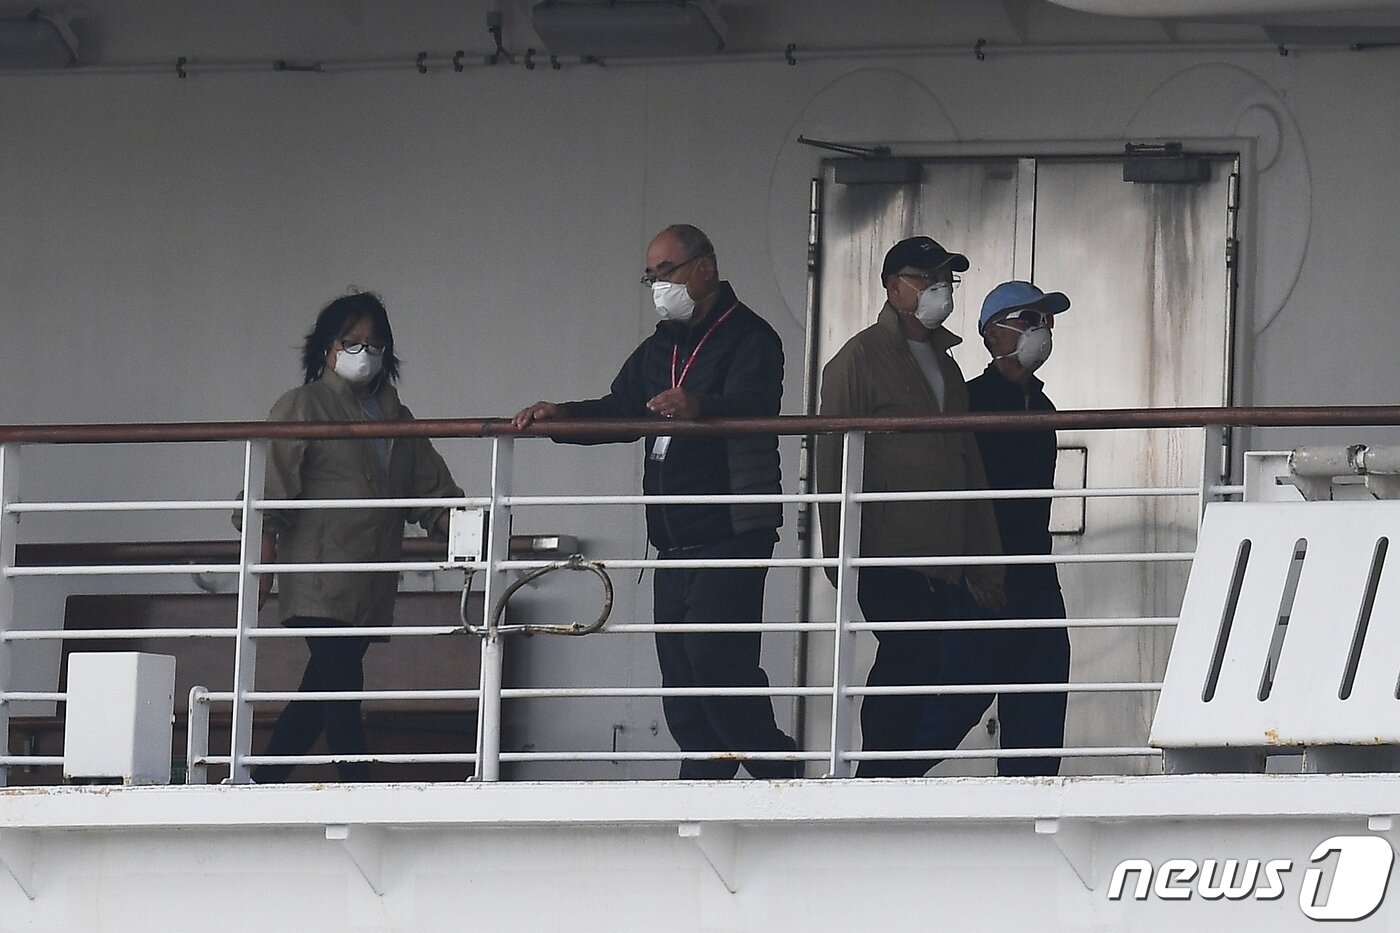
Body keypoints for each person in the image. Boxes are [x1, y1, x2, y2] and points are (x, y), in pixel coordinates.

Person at [513, 223, 799, 779]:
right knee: (682, 676)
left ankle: (777, 771)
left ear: (704, 268)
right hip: (674, 539)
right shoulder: (659, 347)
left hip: (732, 528)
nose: (657, 285)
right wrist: (561, 418)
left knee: (719, 662)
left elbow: (756, 404)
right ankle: (705, 780)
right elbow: (621, 410)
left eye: (665, 272)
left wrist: (700, 406)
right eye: (650, 276)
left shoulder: (752, 337)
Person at [249, 292, 464, 783]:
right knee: (343, 681)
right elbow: (271, 488)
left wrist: (468, 529)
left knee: (319, 692)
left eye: (374, 343)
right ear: (327, 348)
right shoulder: (303, 405)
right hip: (319, 573)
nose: (363, 352)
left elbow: (430, 490)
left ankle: (261, 783)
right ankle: (357, 781)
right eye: (352, 342)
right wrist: (262, 556)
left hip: (369, 578)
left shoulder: (397, 416)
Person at [816, 235, 1005, 778]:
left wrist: (983, 556)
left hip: (946, 555)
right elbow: (836, 463)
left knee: (958, 667)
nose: (939, 289)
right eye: (926, 278)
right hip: (887, 550)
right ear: (893, 287)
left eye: (946, 278)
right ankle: (879, 777)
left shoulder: (947, 365)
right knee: (906, 660)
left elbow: (967, 462)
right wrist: (841, 553)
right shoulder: (856, 360)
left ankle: (894, 773)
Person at [965, 280, 1073, 776]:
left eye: (1046, 320)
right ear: (994, 334)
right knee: (956, 701)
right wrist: (976, 565)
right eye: (1029, 320)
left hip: (1035, 568)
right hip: (985, 573)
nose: (1042, 330)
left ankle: (1031, 809)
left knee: (1043, 691)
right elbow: (958, 493)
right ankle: (881, 787)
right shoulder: (971, 403)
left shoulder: (1042, 406)